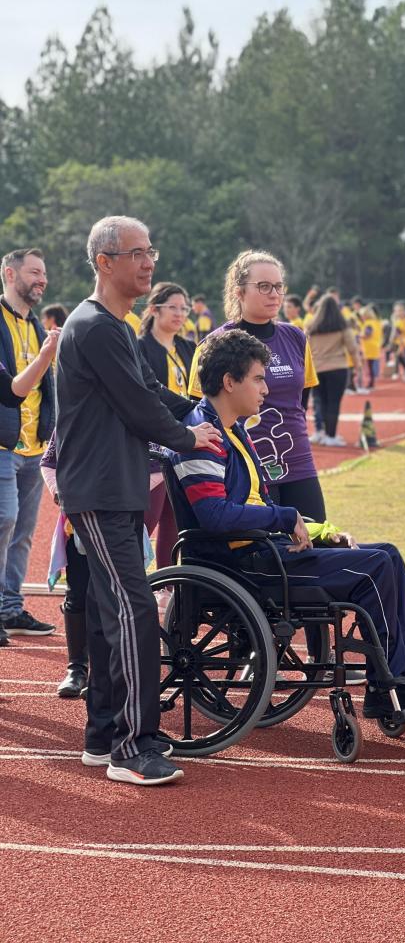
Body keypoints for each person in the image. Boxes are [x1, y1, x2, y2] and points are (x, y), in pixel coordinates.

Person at [168, 328, 405, 719]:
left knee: (388, 554)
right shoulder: (204, 436)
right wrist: (284, 516)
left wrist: (323, 532)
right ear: (229, 382)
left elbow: (258, 505)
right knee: (375, 568)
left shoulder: (233, 430)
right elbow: (214, 515)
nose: (266, 389)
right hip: (245, 564)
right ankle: (389, 684)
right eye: (258, 378)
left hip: (262, 549)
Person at [55, 214, 222, 786]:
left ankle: (104, 737)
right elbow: (137, 404)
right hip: (100, 490)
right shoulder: (96, 326)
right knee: (134, 608)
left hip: (114, 486)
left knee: (112, 616)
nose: (149, 261)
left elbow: (150, 392)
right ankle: (133, 745)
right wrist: (188, 435)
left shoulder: (114, 327)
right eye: (136, 253)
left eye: (151, 250)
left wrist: (197, 408)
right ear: (104, 262)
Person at [188, 249, 325, 522]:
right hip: (246, 467)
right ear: (239, 292)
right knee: (267, 553)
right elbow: (199, 410)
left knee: (317, 541)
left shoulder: (296, 337)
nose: (274, 293)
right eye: (263, 286)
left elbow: (301, 401)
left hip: (298, 461)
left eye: (278, 286)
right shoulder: (215, 345)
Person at [0, 249, 61, 644]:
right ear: (9, 274)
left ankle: (9, 610)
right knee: (3, 521)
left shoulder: (37, 325)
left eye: (44, 273)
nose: (42, 279)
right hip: (3, 445)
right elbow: (11, 391)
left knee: (22, 531)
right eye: (34, 272)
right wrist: (44, 358)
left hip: (33, 447)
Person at [137, 282, 196, 568]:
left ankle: (166, 585)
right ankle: (130, 581)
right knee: (149, 518)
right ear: (153, 309)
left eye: (184, 308)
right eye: (172, 307)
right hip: (154, 443)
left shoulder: (188, 348)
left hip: (185, 440)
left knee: (175, 519)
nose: (179, 313)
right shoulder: (140, 347)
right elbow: (147, 393)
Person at [305, 293, 360, 447]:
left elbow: (305, 348)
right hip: (337, 368)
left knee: (318, 401)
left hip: (317, 368)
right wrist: (357, 366)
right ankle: (331, 435)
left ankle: (319, 432)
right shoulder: (342, 325)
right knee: (333, 403)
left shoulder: (311, 326)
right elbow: (352, 348)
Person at [360, 304, 384, 390]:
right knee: (371, 366)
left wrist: (359, 335)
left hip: (369, 347)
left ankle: (371, 383)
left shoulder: (368, 323)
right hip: (375, 345)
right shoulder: (377, 322)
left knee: (369, 367)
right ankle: (371, 382)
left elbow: (367, 334)